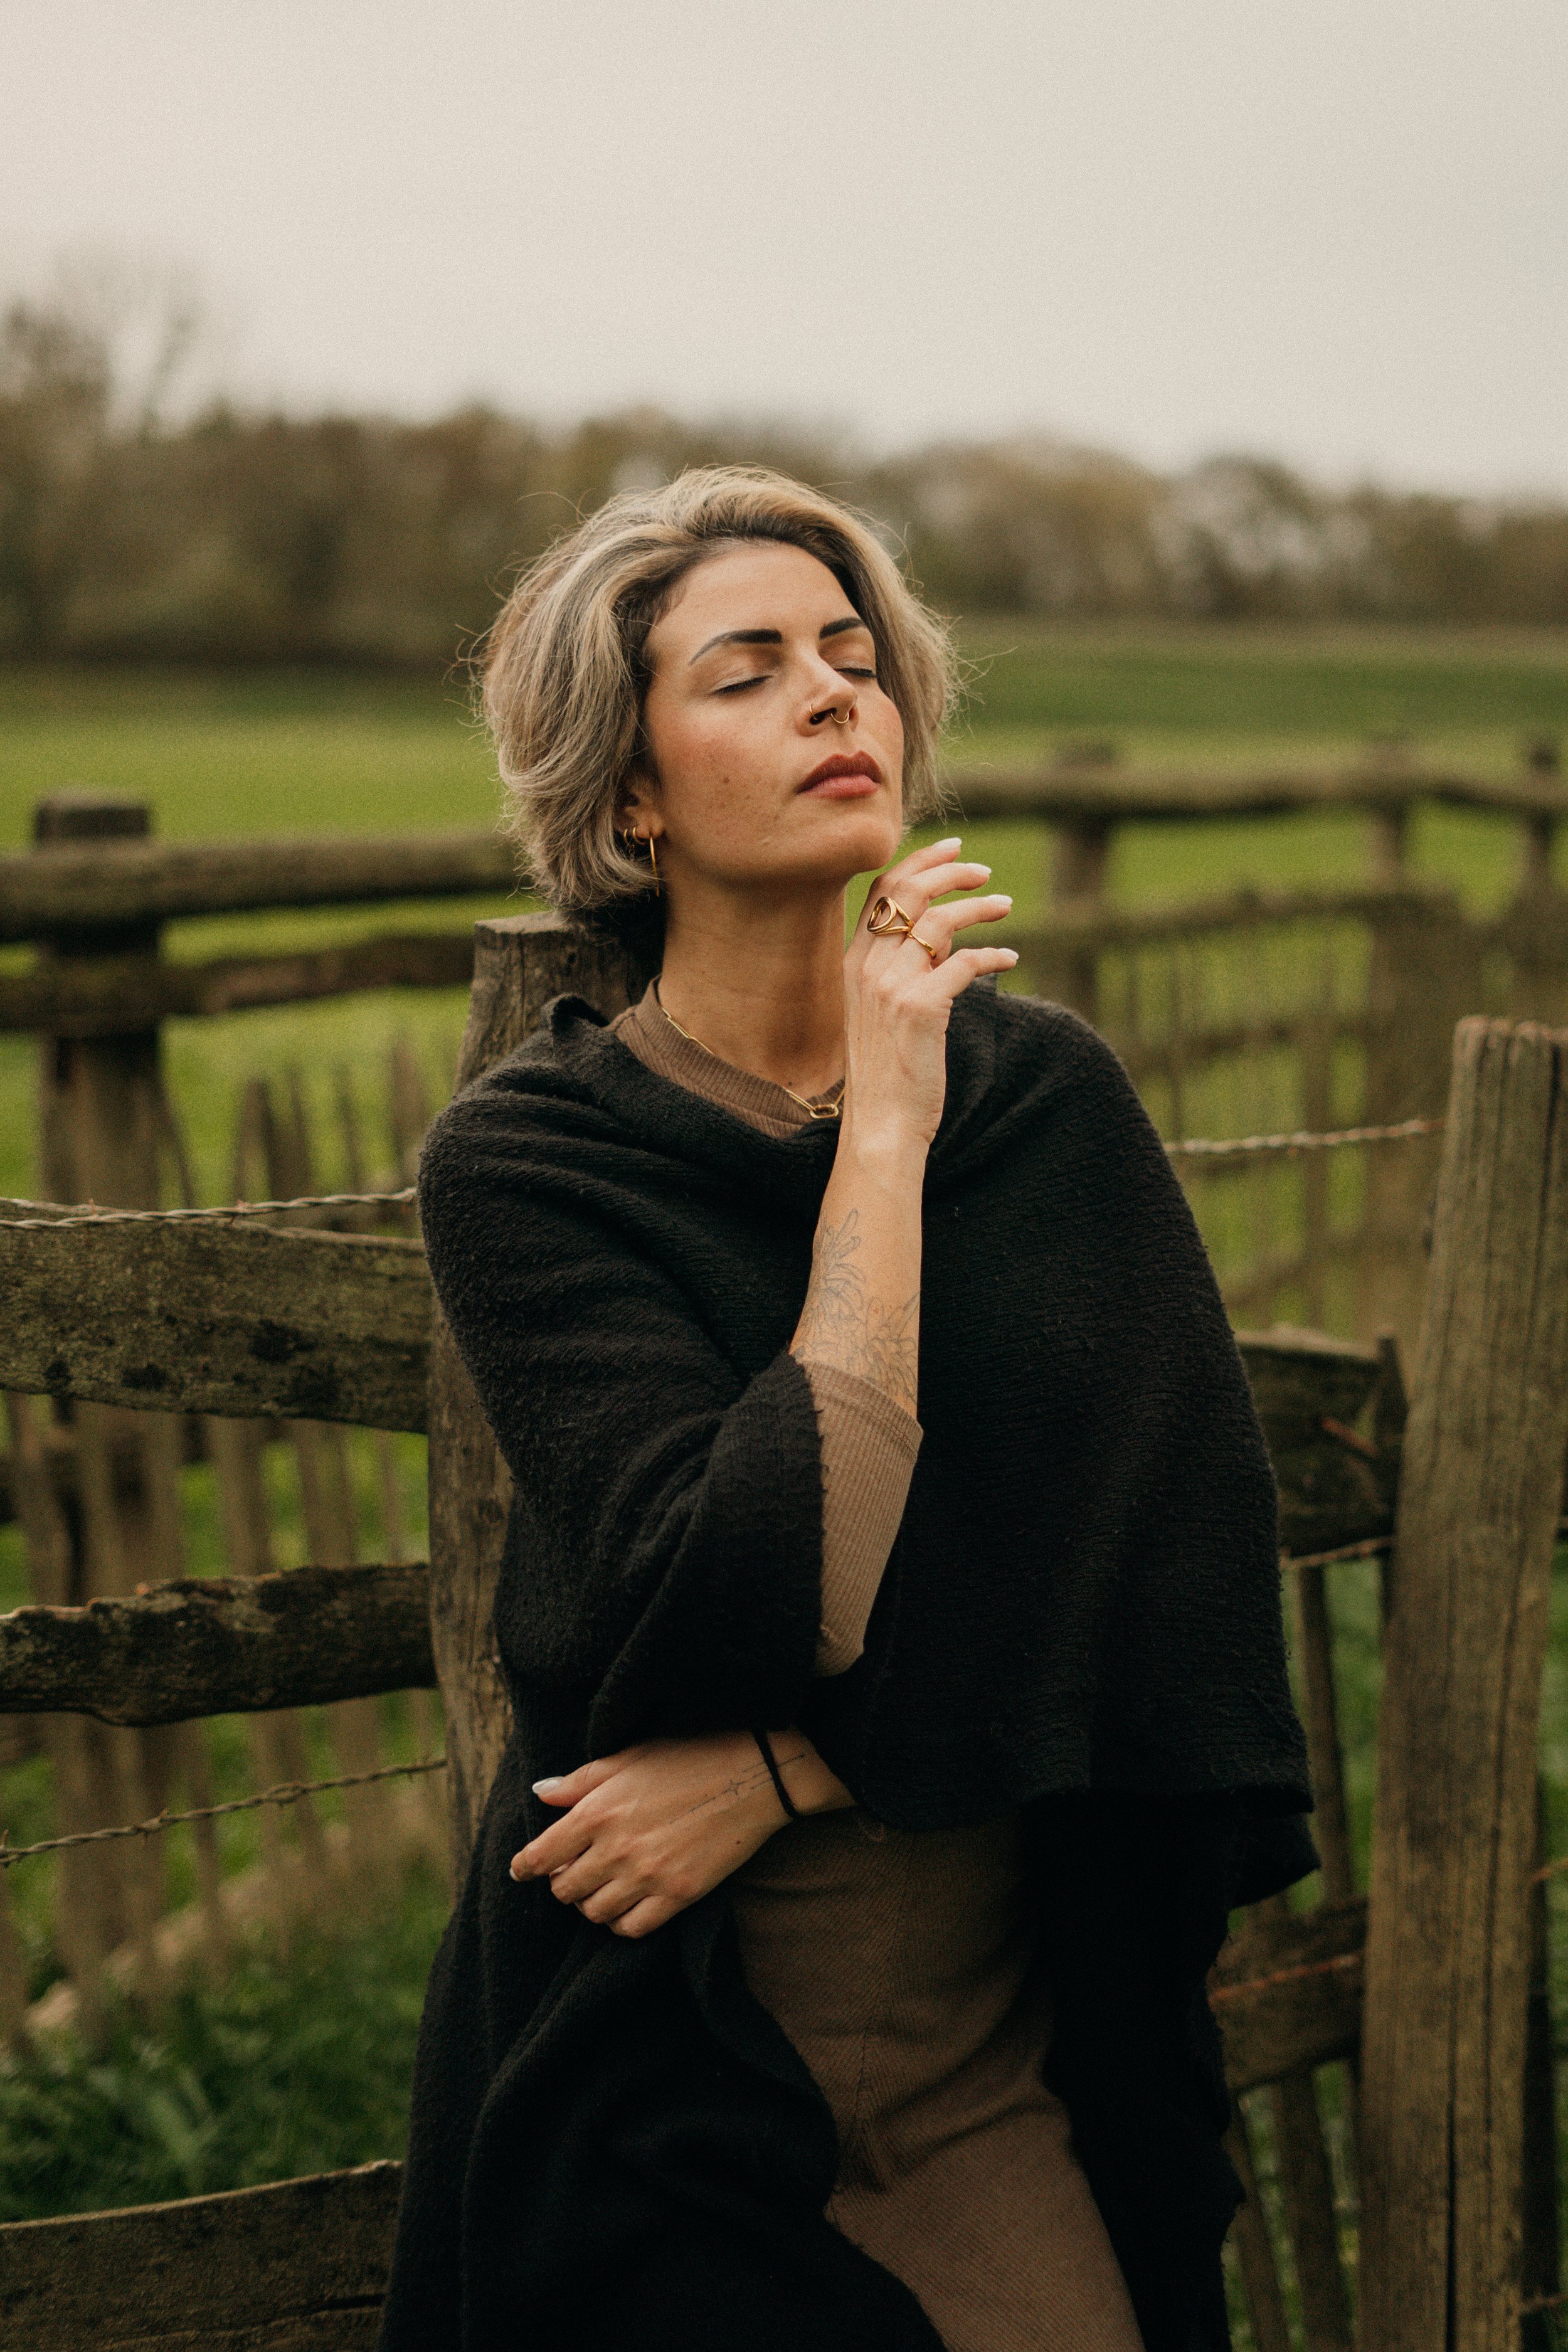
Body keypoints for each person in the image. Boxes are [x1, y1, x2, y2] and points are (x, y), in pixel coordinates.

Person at [378, 468, 1314, 2352]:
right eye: (746, 670)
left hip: (1002, 2065)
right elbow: (748, 1576)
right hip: (671, 2063)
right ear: (630, 792)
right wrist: (880, 1135)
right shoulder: (538, 1162)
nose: (833, 696)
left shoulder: (1045, 1103)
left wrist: (798, 1766)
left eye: (851, 654)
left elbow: (1165, 1573)